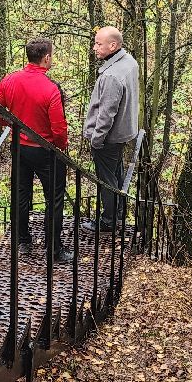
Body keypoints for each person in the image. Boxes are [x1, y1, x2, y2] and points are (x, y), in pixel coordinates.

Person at [0, 37, 72, 263]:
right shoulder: (50, 89)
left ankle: (23, 242)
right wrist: (60, 147)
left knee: (21, 194)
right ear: (46, 58)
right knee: (53, 198)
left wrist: (12, 125)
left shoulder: (10, 80)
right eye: (51, 56)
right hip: (45, 150)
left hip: (20, 148)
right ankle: (54, 249)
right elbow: (58, 127)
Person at [83, 27, 139, 231]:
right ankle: (118, 213)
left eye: (98, 44)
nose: (94, 48)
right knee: (116, 174)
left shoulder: (112, 76)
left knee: (106, 180)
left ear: (113, 45)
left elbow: (106, 114)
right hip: (123, 133)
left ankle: (108, 221)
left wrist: (96, 140)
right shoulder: (129, 62)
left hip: (109, 138)